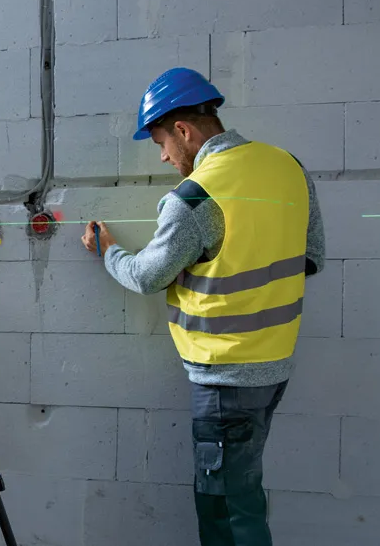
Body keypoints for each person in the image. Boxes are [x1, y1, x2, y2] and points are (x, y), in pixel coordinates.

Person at [80, 67, 325, 546]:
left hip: (224, 379)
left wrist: (107, 249)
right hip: (274, 366)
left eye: (161, 145)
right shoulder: (288, 166)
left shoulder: (195, 196)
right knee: (243, 494)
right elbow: (310, 257)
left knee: (227, 514)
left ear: (183, 130)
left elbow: (147, 275)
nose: (167, 158)